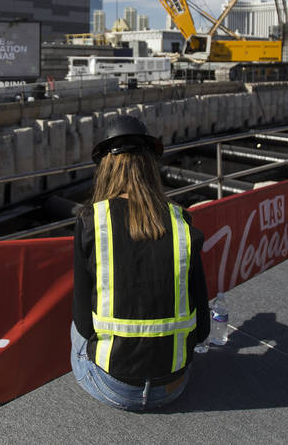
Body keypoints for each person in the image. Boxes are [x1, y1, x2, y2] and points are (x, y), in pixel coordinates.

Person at [71, 115, 210, 411]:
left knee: (73, 329)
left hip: (114, 387)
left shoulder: (91, 220)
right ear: (151, 165)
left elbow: (84, 325)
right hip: (173, 385)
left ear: (105, 168)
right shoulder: (181, 221)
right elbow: (203, 329)